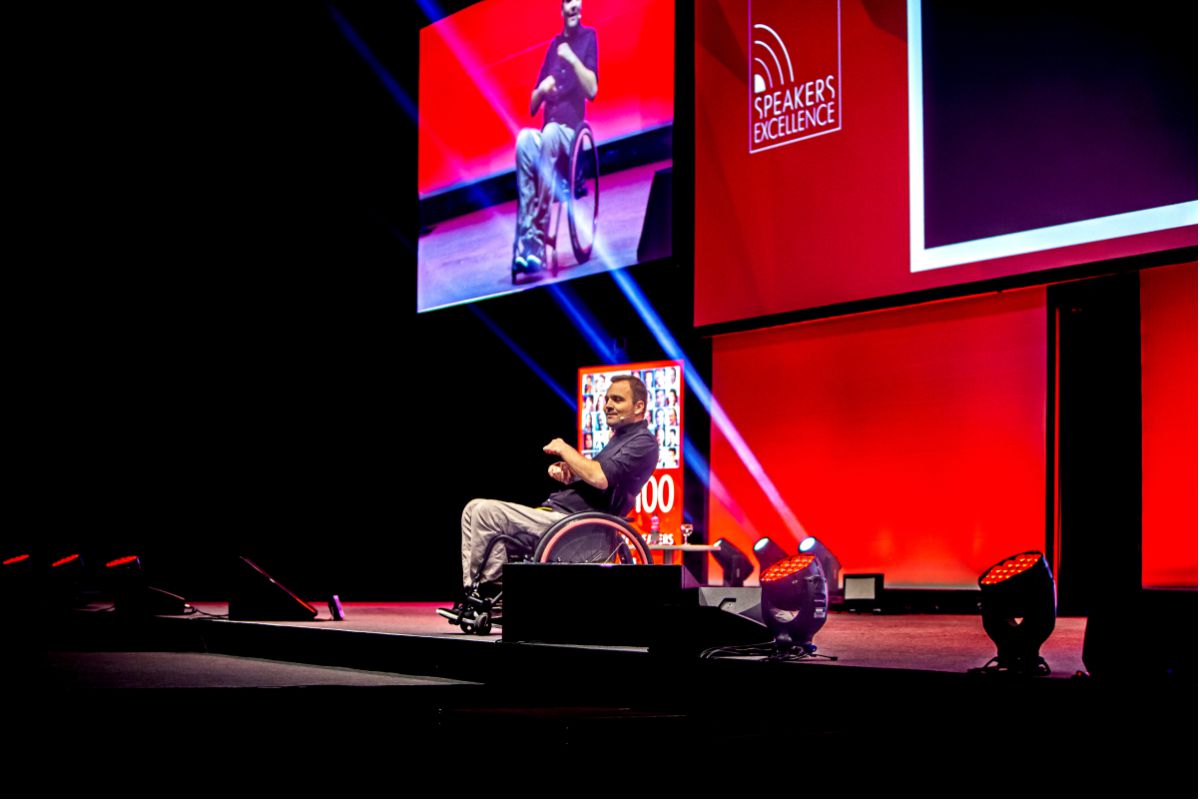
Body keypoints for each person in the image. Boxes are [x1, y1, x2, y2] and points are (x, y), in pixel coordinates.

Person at [458, 374, 658, 602]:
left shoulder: (644, 442)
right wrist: (571, 473)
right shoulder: (619, 439)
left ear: (638, 407)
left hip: (580, 527)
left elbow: (599, 476)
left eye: (617, 399)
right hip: (562, 517)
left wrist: (564, 449)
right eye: (606, 399)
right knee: (472, 509)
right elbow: (598, 477)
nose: (608, 405)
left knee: (486, 513)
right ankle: (473, 592)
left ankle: (494, 592)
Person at [512, 0, 599, 273]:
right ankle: (527, 239)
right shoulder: (553, 46)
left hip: (570, 135)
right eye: (569, 2)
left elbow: (592, 91)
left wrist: (572, 59)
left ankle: (537, 240)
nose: (574, 7)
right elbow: (532, 106)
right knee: (524, 139)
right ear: (561, 9)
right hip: (547, 137)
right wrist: (542, 90)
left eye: (578, 3)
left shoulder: (589, 38)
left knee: (550, 133)